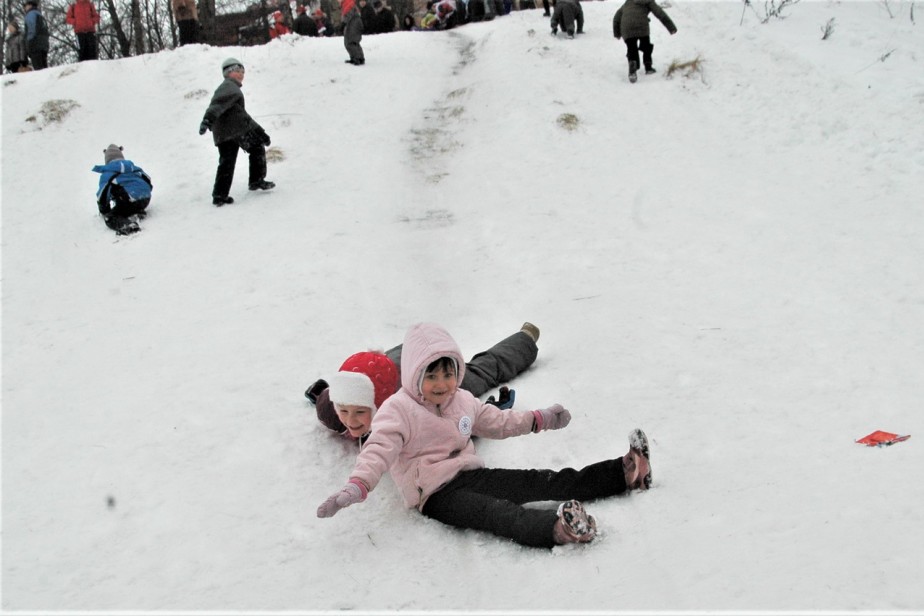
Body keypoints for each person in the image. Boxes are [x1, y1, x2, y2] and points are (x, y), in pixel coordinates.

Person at [316, 322, 654, 548]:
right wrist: (357, 486)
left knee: (539, 481)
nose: (442, 384)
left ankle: (623, 473)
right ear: (415, 376)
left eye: (448, 374)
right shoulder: (397, 410)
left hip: (469, 474)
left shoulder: (462, 400)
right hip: (434, 494)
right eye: (431, 377)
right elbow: (378, 450)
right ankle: (559, 529)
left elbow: (499, 422)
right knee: (496, 513)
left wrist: (539, 419)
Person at [307, 322, 541, 441]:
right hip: (398, 357)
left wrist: (487, 411)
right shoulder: (332, 406)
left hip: (420, 373)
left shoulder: (407, 412)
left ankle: (525, 339)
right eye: (344, 412)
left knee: (480, 372)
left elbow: (450, 428)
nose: (350, 420)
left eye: (358, 413)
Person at [199, 58, 275, 207]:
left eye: (243, 72)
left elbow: (241, 115)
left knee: (227, 162)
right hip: (234, 130)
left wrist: (260, 132)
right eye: (237, 71)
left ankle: (219, 195)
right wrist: (207, 120)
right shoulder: (229, 87)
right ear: (228, 73)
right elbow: (217, 105)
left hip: (225, 132)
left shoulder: (230, 88)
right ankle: (256, 180)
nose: (241, 74)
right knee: (256, 147)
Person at [92, 144, 153, 235]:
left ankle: (128, 225)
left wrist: (104, 211)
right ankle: (137, 212)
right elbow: (148, 180)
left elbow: (102, 196)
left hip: (129, 201)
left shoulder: (108, 174)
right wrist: (144, 192)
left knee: (110, 218)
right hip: (146, 198)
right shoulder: (133, 168)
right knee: (126, 196)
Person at [613, 0, 677, 83]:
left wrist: (617, 33)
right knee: (646, 45)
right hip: (642, 25)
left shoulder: (628, 2)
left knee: (631, 48)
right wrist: (671, 27)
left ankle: (632, 66)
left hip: (626, 27)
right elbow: (660, 13)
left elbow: (616, 18)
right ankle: (648, 67)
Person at [22, 0, 49, 70]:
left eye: (25, 6)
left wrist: (29, 43)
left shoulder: (30, 14)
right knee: (45, 67)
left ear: (30, 5)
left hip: (35, 44)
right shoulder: (40, 15)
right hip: (44, 44)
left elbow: (31, 28)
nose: (25, 8)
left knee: (38, 67)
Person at [341, 0, 364, 65]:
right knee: (354, 41)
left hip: (353, 23)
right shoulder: (349, 2)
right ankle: (359, 57)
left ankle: (356, 58)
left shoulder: (347, 3)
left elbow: (348, 14)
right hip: (356, 23)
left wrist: (343, 23)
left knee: (350, 42)